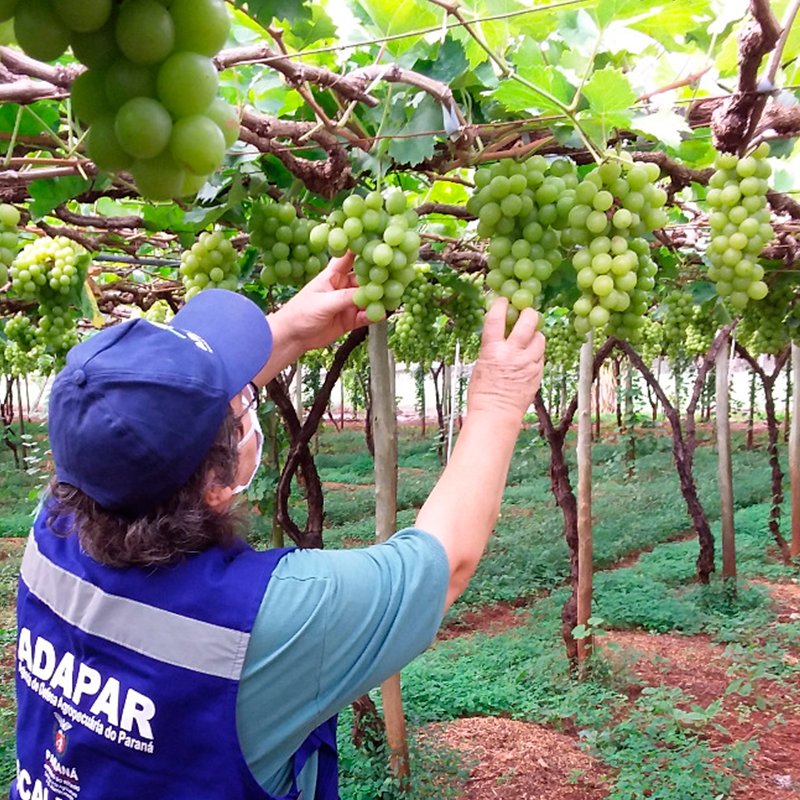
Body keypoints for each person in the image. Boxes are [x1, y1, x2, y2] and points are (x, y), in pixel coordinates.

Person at [13, 252, 545, 800]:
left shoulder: (55, 523)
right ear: (217, 485)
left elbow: (143, 429)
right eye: (242, 405)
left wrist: (288, 330)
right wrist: (497, 402)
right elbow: (447, 559)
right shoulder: (271, 620)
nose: (249, 399)